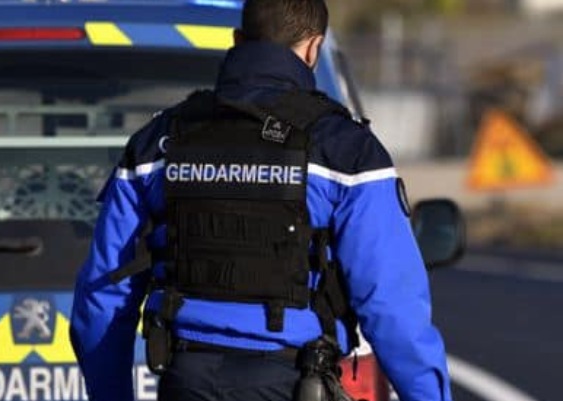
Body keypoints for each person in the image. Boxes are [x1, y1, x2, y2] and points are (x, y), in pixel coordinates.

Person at [69, 1, 453, 400]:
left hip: (185, 381)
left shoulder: (157, 143)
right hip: (292, 383)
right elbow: (392, 309)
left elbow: (102, 296)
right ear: (313, 48)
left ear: (238, 40)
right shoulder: (346, 151)